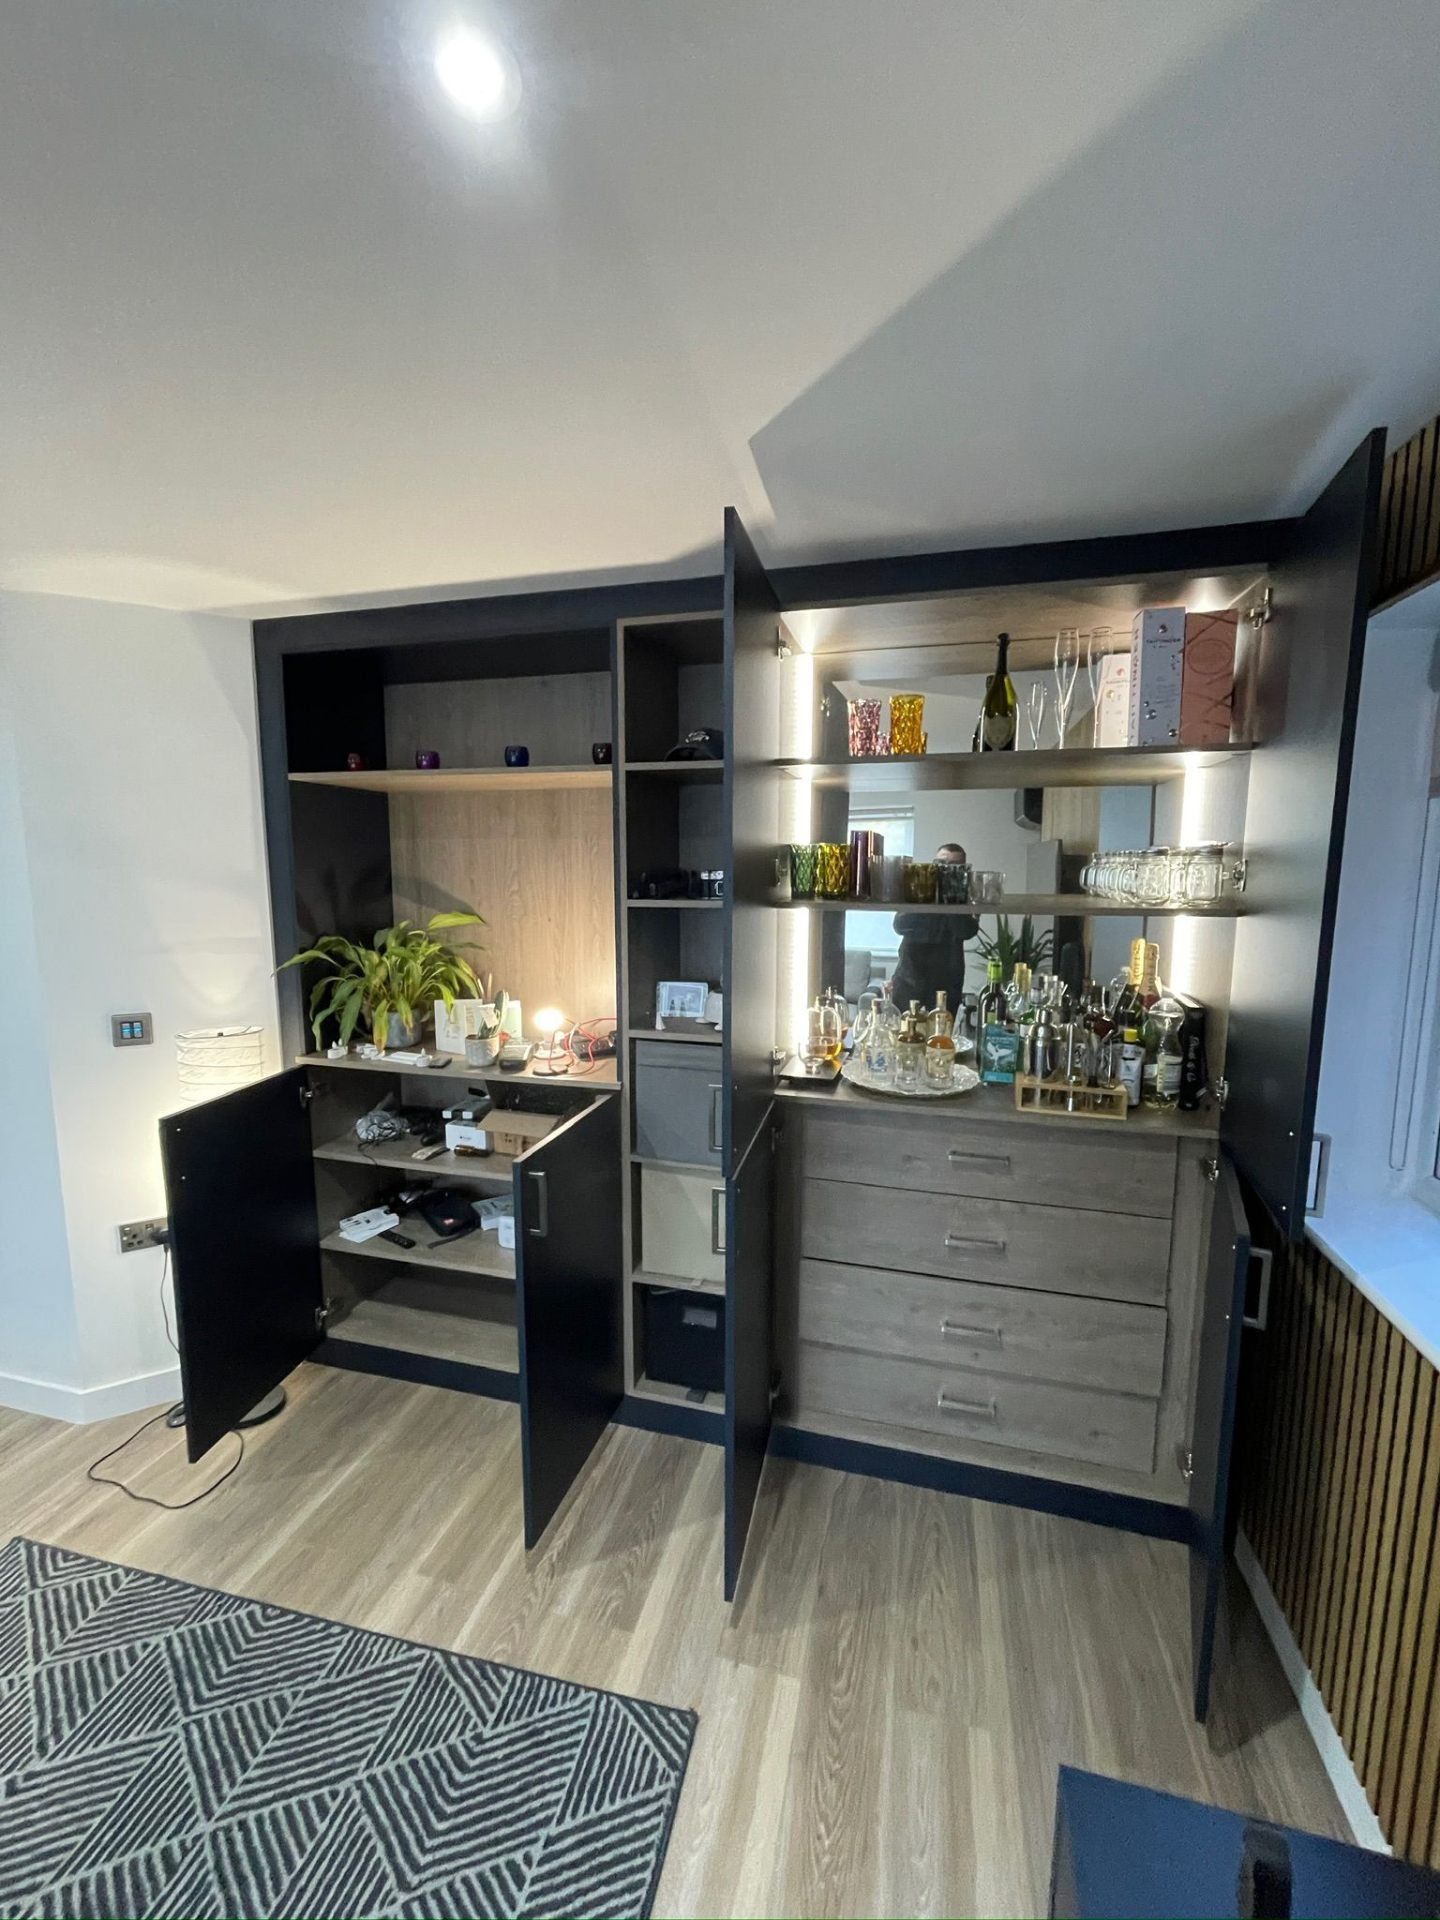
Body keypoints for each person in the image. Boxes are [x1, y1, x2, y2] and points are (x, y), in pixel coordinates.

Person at [889, 842, 980, 1016]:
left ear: (963, 869)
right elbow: (900, 925)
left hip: (947, 983)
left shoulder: (966, 895)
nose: (945, 869)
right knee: (902, 1029)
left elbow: (966, 931)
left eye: (953, 866)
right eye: (941, 863)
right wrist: (927, 898)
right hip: (909, 978)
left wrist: (950, 899)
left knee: (943, 1031)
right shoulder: (918, 889)